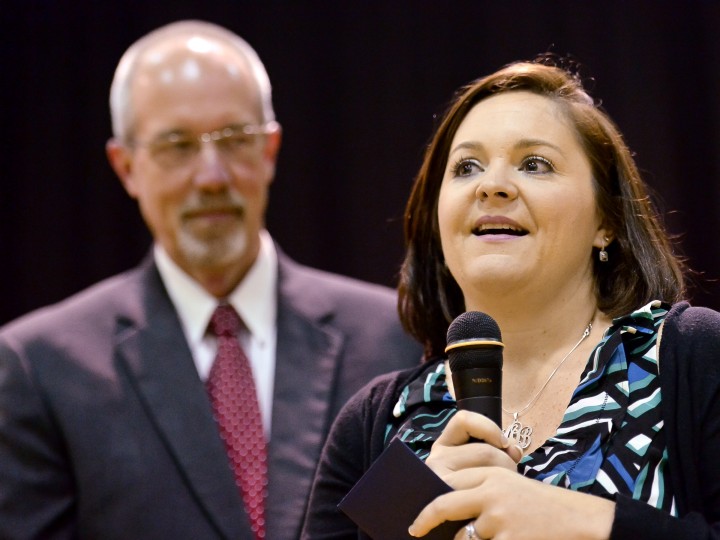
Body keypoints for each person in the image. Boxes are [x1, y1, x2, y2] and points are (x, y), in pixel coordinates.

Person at [0, 20, 422, 540]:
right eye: (177, 145)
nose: (211, 176)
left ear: (270, 150)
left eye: (235, 139)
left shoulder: (396, 338)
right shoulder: (41, 370)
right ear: (126, 165)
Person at [301, 57, 720, 539]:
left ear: (606, 221)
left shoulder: (693, 357)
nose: (492, 186)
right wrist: (409, 520)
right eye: (466, 167)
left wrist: (585, 522)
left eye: (534, 164)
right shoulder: (373, 423)